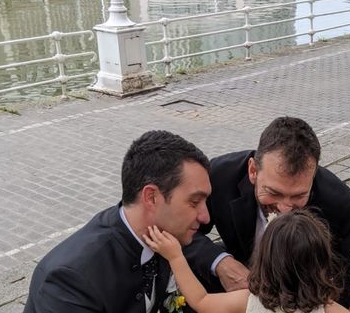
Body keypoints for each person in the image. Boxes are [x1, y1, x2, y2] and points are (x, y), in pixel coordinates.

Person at [24, 130, 212, 313]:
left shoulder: (165, 238)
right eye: (194, 202)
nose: (206, 217)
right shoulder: (71, 279)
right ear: (152, 197)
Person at [184, 117, 350, 307]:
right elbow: (181, 229)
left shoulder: (339, 204)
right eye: (274, 192)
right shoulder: (220, 176)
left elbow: (340, 279)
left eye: (299, 196)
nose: (285, 209)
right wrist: (220, 263)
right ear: (253, 171)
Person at [145, 210, 350, 313]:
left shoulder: (248, 301)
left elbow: (199, 300)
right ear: (323, 265)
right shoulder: (327, 309)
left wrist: (175, 255)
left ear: (263, 261)